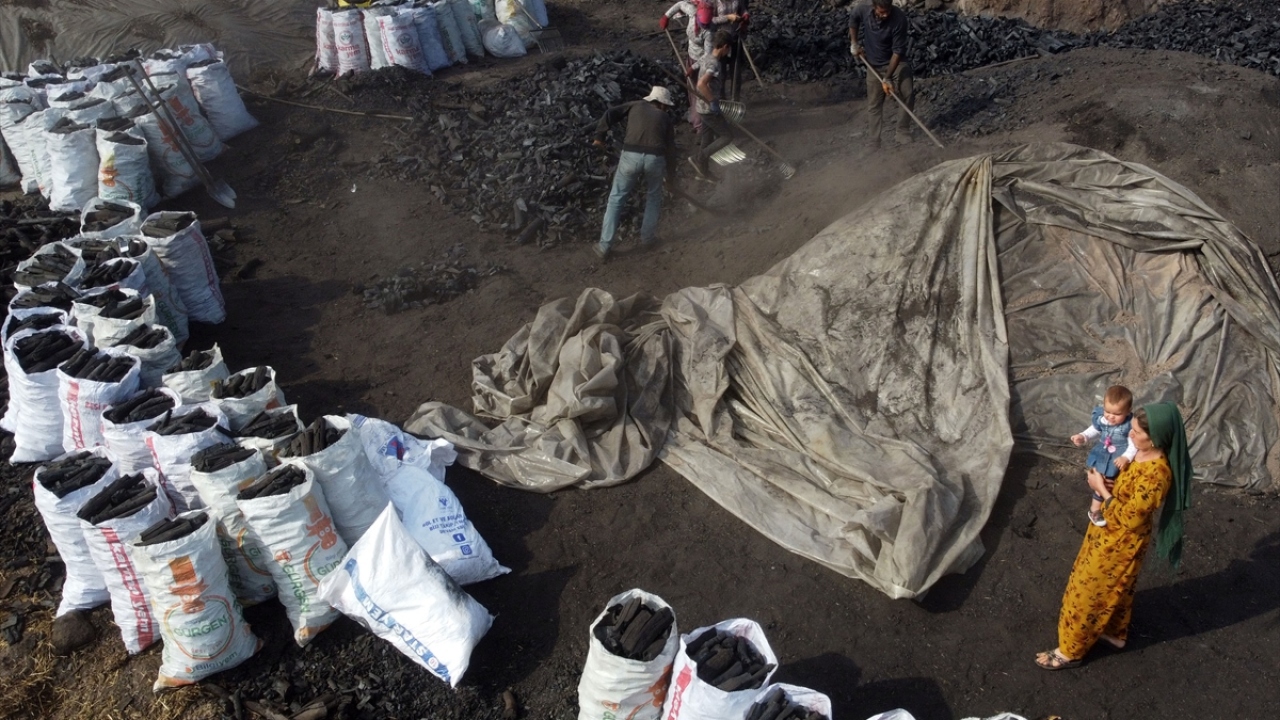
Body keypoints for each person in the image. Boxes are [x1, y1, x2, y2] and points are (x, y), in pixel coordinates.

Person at [1036, 402, 1193, 670]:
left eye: (1137, 432)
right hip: (1107, 530)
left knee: (1089, 590)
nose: (1130, 434)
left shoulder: (1157, 474)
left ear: (1155, 439)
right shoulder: (1139, 453)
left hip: (1122, 541)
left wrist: (1101, 489)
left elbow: (1132, 517)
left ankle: (1070, 651)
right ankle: (1114, 633)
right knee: (1119, 587)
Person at [592, 86, 678, 260]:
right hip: (655, 159)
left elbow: (609, 113)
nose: (667, 109)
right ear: (661, 103)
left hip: (630, 156)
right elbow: (670, 150)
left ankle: (604, 246)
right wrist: (670, 178)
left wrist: (599, 138)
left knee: (616, 198)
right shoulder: (665, 118)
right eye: (666, 106)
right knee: (653, 197)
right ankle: (648, 239)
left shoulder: (635, 105)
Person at [848, 0, 914, 148]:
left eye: (888, 11)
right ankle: (874, 141)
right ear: (873, 7)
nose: (885, 15)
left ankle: (902, 132)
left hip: (896, 62)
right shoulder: (863, 9)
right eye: (881, 12)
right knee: (874, 104)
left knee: (907, 92)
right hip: (874, 65)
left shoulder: (899, 19)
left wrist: (887, 77)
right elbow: (853, 19)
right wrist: (854, 43)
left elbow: (897, 52)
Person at [1071, 385, 1137, 527]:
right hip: (1103, 453)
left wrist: (1126, 457)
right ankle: (1095, 509)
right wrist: (1083, 436)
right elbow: (1095, 429)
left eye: (1117, 414)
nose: (1110, 416)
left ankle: (1103, 505)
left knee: (1109, 482)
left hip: (1117, 457)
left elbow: (1133, 444)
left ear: (1128, 411)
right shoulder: (1102, 419)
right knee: (1101, 479)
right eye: (1107, 411)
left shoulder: (1130, 425)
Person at [689, 31, 735, 180]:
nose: (728, 52)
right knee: (727, 136)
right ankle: (699, 157)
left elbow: (698, 63)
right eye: (729, 48)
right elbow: (701, 84)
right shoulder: (714, 63)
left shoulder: (707, 56)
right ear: (725, 46)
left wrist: (691, 69)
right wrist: (713, 101)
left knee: (707, 138)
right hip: (708, 109)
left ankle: (702, 172)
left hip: (701, 107)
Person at [704, 0, 749, 100]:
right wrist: (728, 17)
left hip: (736, 36)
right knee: (721, 71)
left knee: (736, 70)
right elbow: (710, 20)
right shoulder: (714, 2)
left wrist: (745, 16)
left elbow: (743, 10)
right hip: (721, 39)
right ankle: (721, 98)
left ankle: (735, 98)